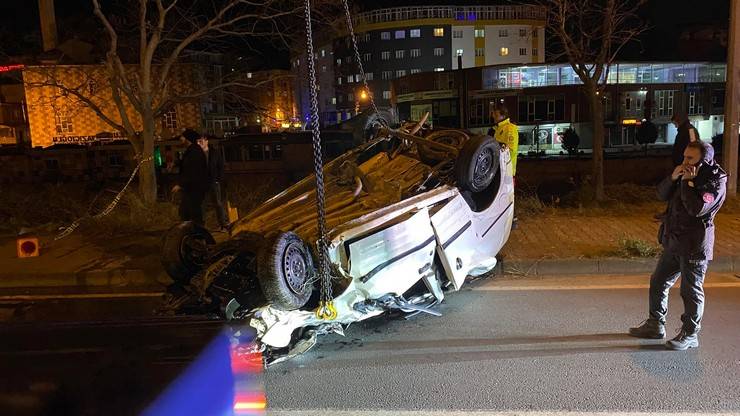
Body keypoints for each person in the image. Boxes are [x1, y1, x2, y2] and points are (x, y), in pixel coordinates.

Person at [629, 141, 727, 350]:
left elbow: (697, 208)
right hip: (674, 241)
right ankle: (655, 324)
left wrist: (687, 182)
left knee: (690, 291)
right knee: (658, 281)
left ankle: (690, 334)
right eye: (684, 157)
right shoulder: (683, 174)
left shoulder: (715, 180)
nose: (685, 162)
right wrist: (673, 178)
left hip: (694, 245)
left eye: (690, 158)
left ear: (704, 160)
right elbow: (661, 194)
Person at [173, 129, 209, 226]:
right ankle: (192, 234)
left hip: (194, 188)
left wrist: (181, 184)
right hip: (192, 188)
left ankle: (197, 234)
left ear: (188, 139)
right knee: (187, 212)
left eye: (183, 137)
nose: (181, 139)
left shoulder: (194, 152)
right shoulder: (192, 151)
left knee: (191, 212)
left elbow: (192, 172)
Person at [199, 134, 229, 230]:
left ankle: (223, 223)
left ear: (206, 141)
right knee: (202, 204)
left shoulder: (214, 153)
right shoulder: (197, 154)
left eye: (201, 141)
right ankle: (201, 225)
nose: (200, 143)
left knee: (218, 203)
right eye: (198, 142)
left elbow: (221, 166)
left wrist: (218, 179)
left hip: (213, 182)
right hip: (202, 183)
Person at [490, 103, 519, 176]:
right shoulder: (496, 129)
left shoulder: (510, 128)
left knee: (507, 187)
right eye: (493, 114)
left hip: (507, 171)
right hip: (499, 170)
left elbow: (511, 150)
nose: (493, 116)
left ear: (503, 116)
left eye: (496, 115)